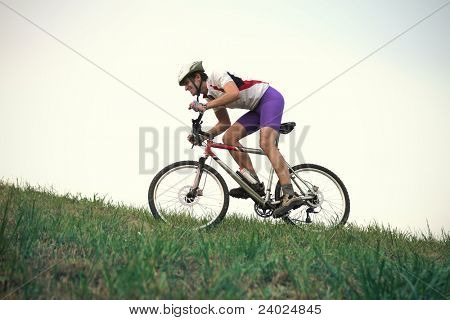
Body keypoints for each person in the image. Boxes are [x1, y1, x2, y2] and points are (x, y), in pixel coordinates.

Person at [178, 61, 302, 218]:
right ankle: (253, 183)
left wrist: (205, 106)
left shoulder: (216, 75)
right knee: (229, 137)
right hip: (256, 109)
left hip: (269, 98)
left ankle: (290, 194)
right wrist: (204, 135)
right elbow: (224, 123)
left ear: (197, 77)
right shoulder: (210, 97)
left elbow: (234, 93)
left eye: (187, 84)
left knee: (265, 143)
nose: (186, 89)